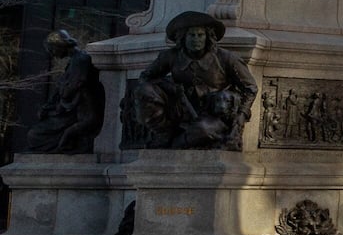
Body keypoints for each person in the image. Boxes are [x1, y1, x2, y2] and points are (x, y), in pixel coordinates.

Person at [129, 11, 259, 150]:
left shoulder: (226, 58)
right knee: (145, 91)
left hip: (213, 113)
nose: (195, 39)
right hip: (179, 110)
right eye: (191, 35)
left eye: (200, 35)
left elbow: (250, 88)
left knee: (204, 131)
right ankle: (163, 133)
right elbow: (145, 77)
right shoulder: (171, 56)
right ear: (183, 38)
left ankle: (175, 143)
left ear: (207, 37)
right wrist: (168, 86)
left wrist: (241, 115)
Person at [26, 30, 104, 154]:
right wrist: (48, 107)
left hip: (77, 110)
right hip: (68, 109)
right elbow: (63, 89)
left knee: (34, 135)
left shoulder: (81, 59)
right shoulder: (74, 61)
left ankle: (65, 145)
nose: (51, 53)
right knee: (34, 134)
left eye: (52, 49)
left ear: (60, 45)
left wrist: (62, 91)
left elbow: (74, 86)